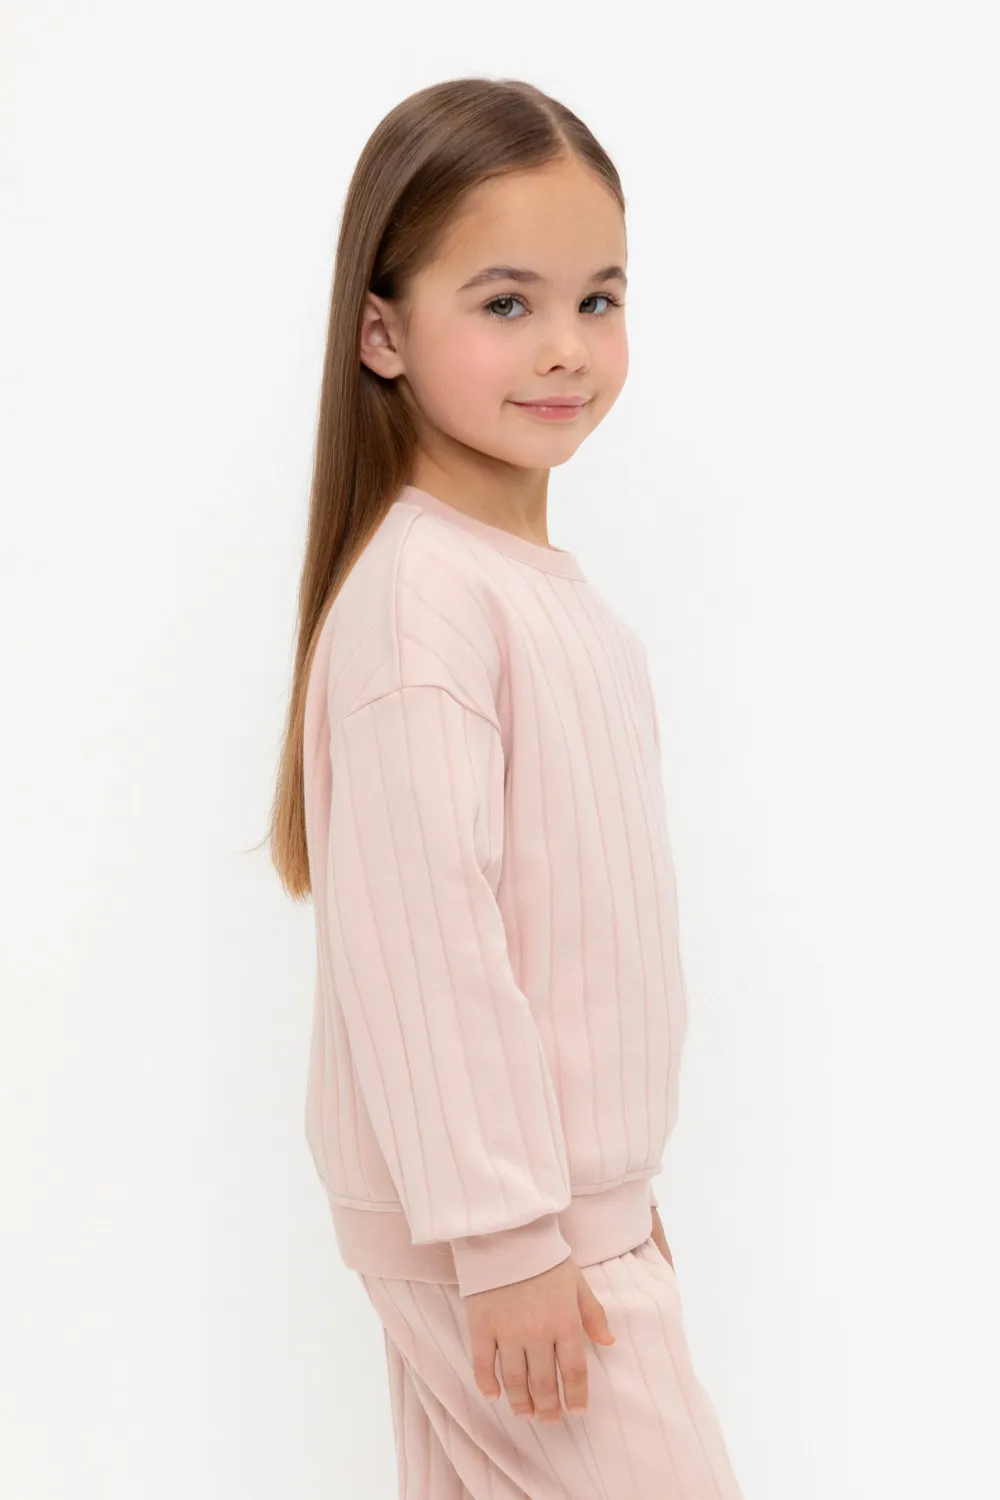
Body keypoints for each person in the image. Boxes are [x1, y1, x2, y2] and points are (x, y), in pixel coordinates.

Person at [267, 75, 746, 1499]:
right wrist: (514, 1239)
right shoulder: (427, 604)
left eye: (598, 299)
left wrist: (605, 1209)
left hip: (555, 1223)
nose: (565, 347)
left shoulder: (528, 594)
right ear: (383, 333)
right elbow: (428, 941)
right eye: (505, 302)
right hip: (507, 1233)